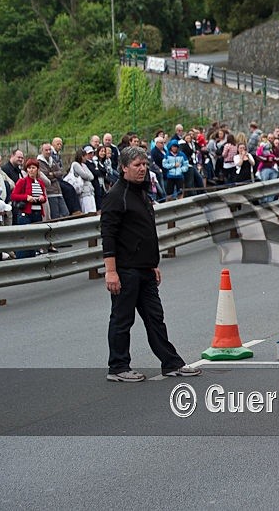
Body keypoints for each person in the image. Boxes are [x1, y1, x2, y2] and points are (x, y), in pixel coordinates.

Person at [100, 146, 202, 382]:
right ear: (124, 168)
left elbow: (144, 232)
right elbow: (108, 235)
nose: (142, 169)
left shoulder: (142, 193)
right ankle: (118, 367)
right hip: (125, 270)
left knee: (155, 318)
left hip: (145, 269)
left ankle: (171, 363)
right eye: (137, 165)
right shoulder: (116, 196)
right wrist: (111, 271)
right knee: (122, 319)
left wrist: (152, 264)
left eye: (144, 164)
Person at [11, 159, 47, 258]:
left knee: (34, 239)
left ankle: (32, 260)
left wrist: (42, 198)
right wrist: (26, 197)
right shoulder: (22, 181)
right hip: (25, 214)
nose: (31, 170)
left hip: (37, 213)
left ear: (37, 170)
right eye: (29, 168)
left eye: (33, 168)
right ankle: (22, 260)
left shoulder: (40, 182)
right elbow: (13, 196)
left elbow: (44, 198)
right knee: (25, 239)